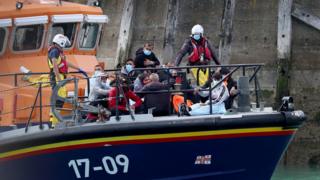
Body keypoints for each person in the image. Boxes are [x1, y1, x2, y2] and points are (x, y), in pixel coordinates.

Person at [47, 34, 85, 126]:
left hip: (59, 76)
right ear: (61, 42)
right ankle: (53, 124)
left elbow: (65, 63)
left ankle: (54, 122)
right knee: (58, 99)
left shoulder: (58, 52)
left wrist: (78, 69)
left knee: (59, 99)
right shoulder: (55, 51)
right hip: (57, 77)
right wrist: (60, 80)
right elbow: (55, 65)